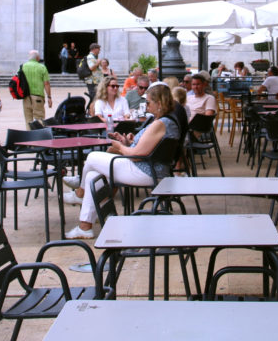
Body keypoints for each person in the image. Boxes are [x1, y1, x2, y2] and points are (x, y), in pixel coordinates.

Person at [64, 84, 180, 238]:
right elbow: (147, 148)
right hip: (148, 168)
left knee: (92, 157)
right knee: (92, 176)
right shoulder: (164, 121)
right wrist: (127, 142)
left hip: (144, 170)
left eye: (148, 102)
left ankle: (80, 193)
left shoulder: (160, 123)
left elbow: (137, 154)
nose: (146, 105)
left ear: (159, 103)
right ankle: (85, 227)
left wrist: (119, 146)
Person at [21, 49, 52, 126]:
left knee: (28, 120)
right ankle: (40, 133)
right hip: (38, 97)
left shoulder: (22, 67)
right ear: (37, 58)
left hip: (26, 97)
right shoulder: (42, 67)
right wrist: (49, 97)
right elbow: (46, 83)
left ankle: (29, 133)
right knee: (40, 119)